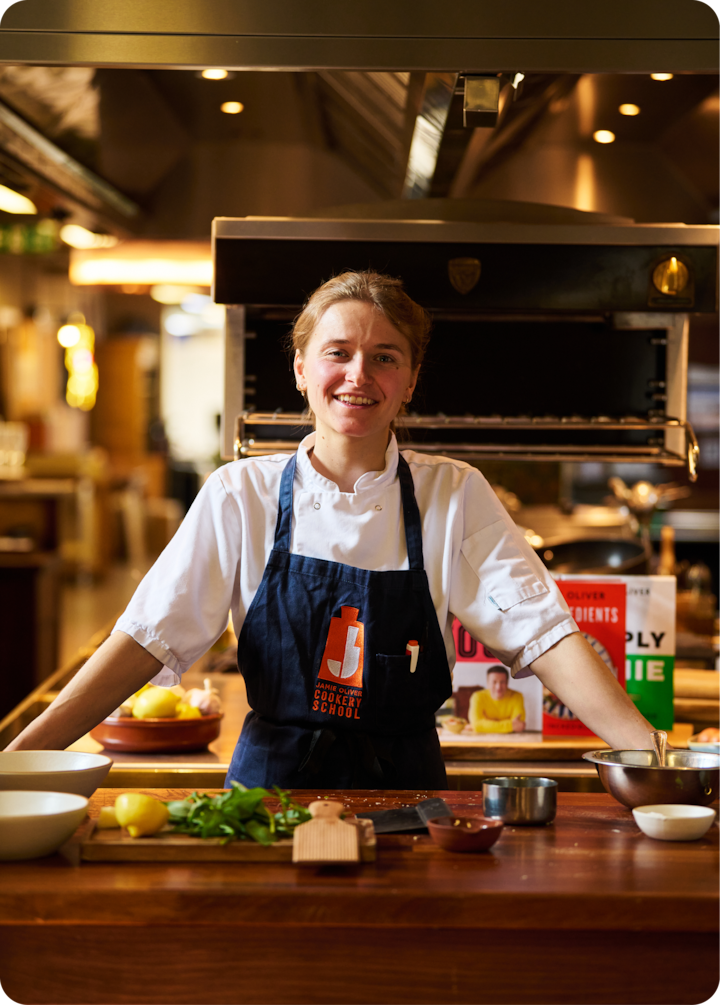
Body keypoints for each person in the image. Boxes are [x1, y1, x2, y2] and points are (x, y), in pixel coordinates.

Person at [7, 271, 657, 788]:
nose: (358, 376)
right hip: (269, 798)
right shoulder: (241, 494)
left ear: (410, 380)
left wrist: (655, 758)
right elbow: (147, 638)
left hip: (407, 798)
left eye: (384, 357)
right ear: (299, 368)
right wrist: (19, 759)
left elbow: (546, 636)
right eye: (337, 353)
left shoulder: (454, 492)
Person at [468, 666, 526, 734]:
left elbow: (519, 724)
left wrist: (484, 725)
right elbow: (476, 724)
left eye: (502, 682)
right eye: (494, 682)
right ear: (488, 683)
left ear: (507, 683)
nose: (498, 687)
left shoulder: (517, 696)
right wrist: (510, 725)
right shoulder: (477, 697)